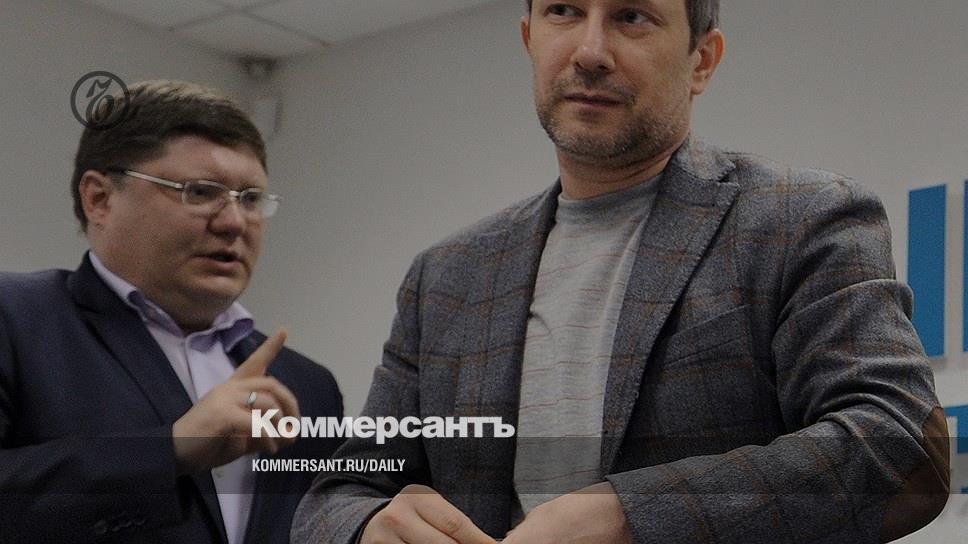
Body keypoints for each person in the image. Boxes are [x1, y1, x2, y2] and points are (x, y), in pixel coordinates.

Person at [292, 1, 950, 542]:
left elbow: (898, 445)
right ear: (529, 38)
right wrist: (369, 526)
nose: (589, 51)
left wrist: (628, 516)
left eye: (632, 16)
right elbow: (338, 495)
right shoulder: (445, 278)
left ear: (701, 59)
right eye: (563, 12)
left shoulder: (800, 218)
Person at [0, 80, 343, 543]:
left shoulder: (307, 385)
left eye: (250, 199)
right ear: (99, 198)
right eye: (200, 192)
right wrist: (171, 450)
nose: (234, 222)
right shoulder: (16, 320)